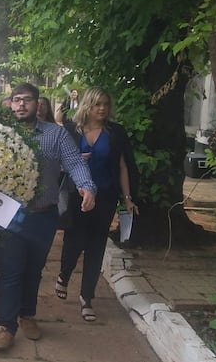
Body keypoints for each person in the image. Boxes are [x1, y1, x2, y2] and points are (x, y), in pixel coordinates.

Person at [0, 82, 96, 351]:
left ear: (38, 104)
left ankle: (27, 315)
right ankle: (5, 326)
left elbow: (74, 162)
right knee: (9, 271)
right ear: (11, 103)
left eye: (27, 99)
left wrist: (87, 186)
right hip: (8, 216)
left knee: (33, 270)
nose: (21, 104)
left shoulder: (56, 135)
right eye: (16, 100)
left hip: (43, 216)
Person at [56, 86, 139, 322]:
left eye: (105, 104)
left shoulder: (115, 132)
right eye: (97, 104)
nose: (102, 108)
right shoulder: (72, 129)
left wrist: (127, 197)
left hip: (105, 195)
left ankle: (86, 298)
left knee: (96, 245)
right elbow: (58, 160)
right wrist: (73, 161)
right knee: (74, 240)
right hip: (76, 194)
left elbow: (123, 166)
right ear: (87, 105)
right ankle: (64, 274)